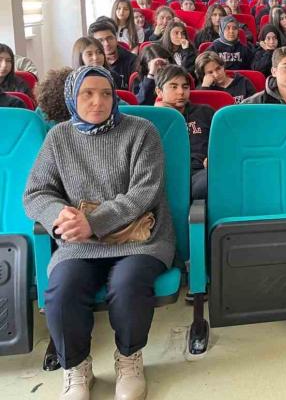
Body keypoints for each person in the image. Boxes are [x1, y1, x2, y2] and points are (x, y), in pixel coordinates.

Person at [23, 66, 175, 400]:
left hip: (139, 240)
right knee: (62, 291)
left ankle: (129, 358)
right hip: (80, 243)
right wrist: (59, 214)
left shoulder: (142, 131)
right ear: (71, 98)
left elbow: (145, 192)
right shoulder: (59, 137)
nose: (98, 102)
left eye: (106, 93)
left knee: (128, 285)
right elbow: (36, 193)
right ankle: (76, 366)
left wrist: (94, 221)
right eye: (87, 94)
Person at [155, 65, 213, 199]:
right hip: (166, 175)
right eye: (174, 87)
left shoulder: (205, 112)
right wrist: (163, 113)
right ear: (159, 92)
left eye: (185, 87)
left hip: (201, 172)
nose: (181, 92)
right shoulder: (154, 118)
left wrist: (215, 157)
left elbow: (224, 142)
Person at [88, 18, 136, 90]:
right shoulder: (91, 63)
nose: (106, 43)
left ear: (116, 38)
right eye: (100, 40)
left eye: (110, 38)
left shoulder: (132, 60)